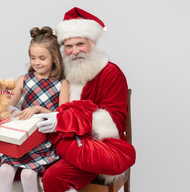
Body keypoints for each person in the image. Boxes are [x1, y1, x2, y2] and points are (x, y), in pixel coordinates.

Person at [36, 7, 136, 192]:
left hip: (100, 145)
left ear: (93, 42)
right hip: (66, 142)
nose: (74, 51)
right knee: (32, 172)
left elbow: (116, 122)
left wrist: (68, 121)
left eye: (80, 44)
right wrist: (5, 100)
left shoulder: (111, 73)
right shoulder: (62, 72)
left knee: (51, 175)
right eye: (69, 46)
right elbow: (36, 95)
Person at [0, 26, 69, 192]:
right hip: (21, 141)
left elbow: (63, 115)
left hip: (43, 142)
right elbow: (9, 104)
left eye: (42, 58)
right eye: (33, 58)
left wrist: (38, 109)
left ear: (54, 58)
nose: (36, 62)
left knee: (28, 175)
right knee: (4, 170)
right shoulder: (24, 80)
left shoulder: (62, 83)